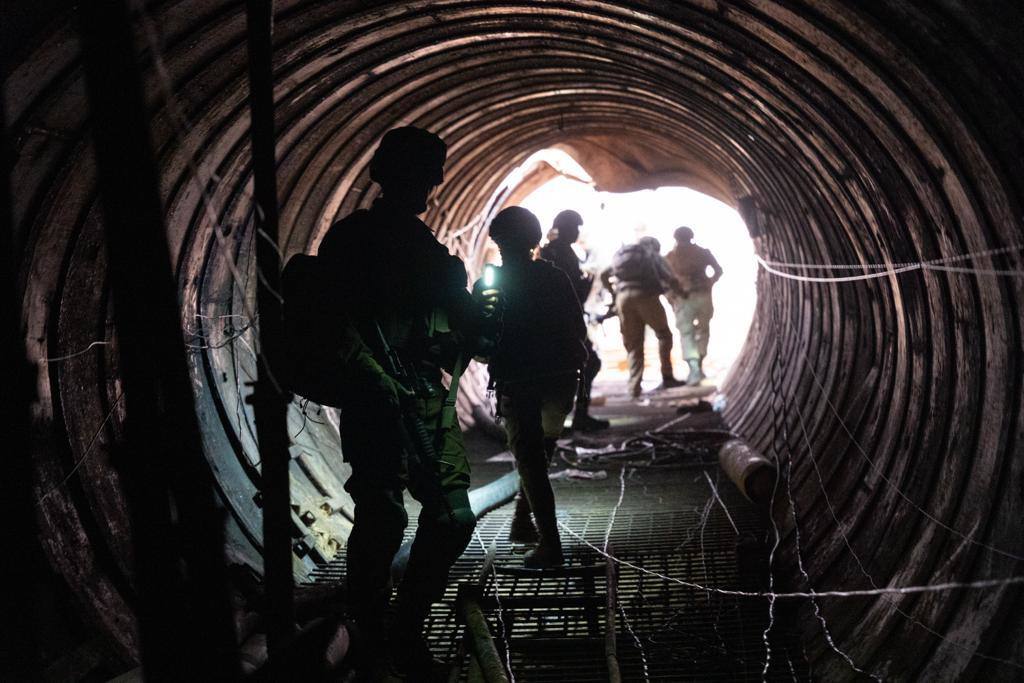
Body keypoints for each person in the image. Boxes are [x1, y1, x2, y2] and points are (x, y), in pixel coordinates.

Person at [315, 127, 488, 679]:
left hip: (420, 395)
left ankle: (404, 630)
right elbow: (331, 321)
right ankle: (372, 639)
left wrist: (461, 332)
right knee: (384, 517)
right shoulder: (352, 242)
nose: (436, 183)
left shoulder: (422, 246)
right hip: (374, 397)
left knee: (451, 517)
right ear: (395, 175)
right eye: (427, 171)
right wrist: (373, 380)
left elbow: (458, 322)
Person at [476, 207, 588, 568]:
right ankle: (523, 522)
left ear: (497, 242)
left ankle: (550, 545)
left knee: (530, 459)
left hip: (520, 382)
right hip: (560, 380)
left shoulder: (492, 285)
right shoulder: (556, 277)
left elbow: (480, 341)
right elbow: (577, 327)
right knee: (540, 454)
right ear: (537, 240)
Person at [539, 210, 610, 431]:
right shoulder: (559, 252)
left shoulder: (554, 251)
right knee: (585, 364)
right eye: (575, 227)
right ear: (565, 228)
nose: (577, 232)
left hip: (560, 321)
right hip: (561, 323)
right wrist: (585, 285)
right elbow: (564, 290)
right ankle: (570, 418)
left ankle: (563, 418)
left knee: (578, 365)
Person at [601, 237, 683, 398]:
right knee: (664, 335)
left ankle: (634, 388)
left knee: (634, 344)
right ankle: (667, 376)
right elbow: (670, 278)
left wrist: (613, 292)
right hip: (647, 297)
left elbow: (604, 274)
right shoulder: (651, 255)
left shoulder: (623, 255)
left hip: (623, 299)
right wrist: (681, 294)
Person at [665, 226, 723, 385]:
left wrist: (672, 297)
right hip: (703, 295)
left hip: (683, 299)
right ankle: (699, 366)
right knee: (703, 330)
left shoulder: (670, 257)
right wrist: (710, 282)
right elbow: (718, 270)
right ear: (691, 236)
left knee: (686, 334)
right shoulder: (703, 252)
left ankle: (694, 371)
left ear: (675, 238)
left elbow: (665, 281)